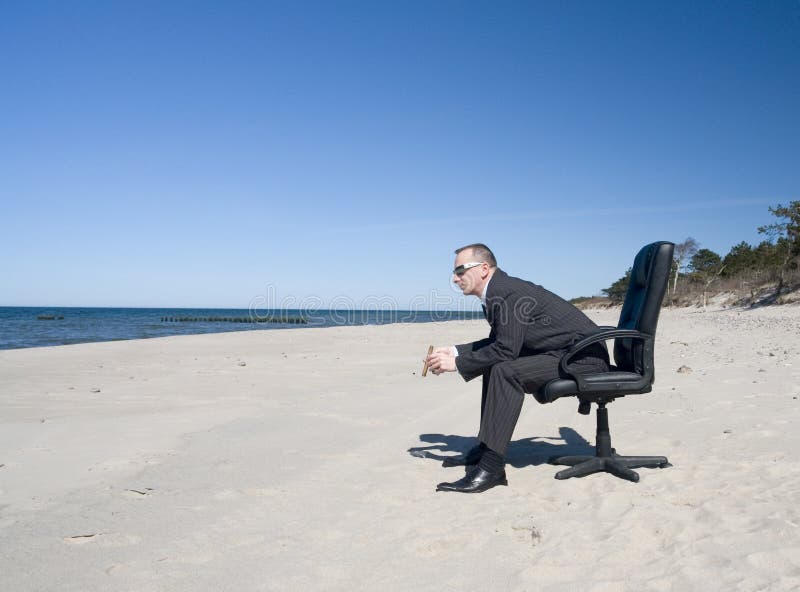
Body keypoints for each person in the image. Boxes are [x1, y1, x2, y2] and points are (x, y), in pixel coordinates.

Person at [425, 243, 609, 493]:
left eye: (460, 270)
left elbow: (505, 350)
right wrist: (456, 351)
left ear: (483, 268)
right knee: (495, 365)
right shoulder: (499, 290)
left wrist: (457, 364)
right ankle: (485, 448)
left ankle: (492, 469)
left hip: (584, 359)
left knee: (505, 369)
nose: (455, 278)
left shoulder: (506, 293)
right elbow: (499, 342)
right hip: (565, 353)